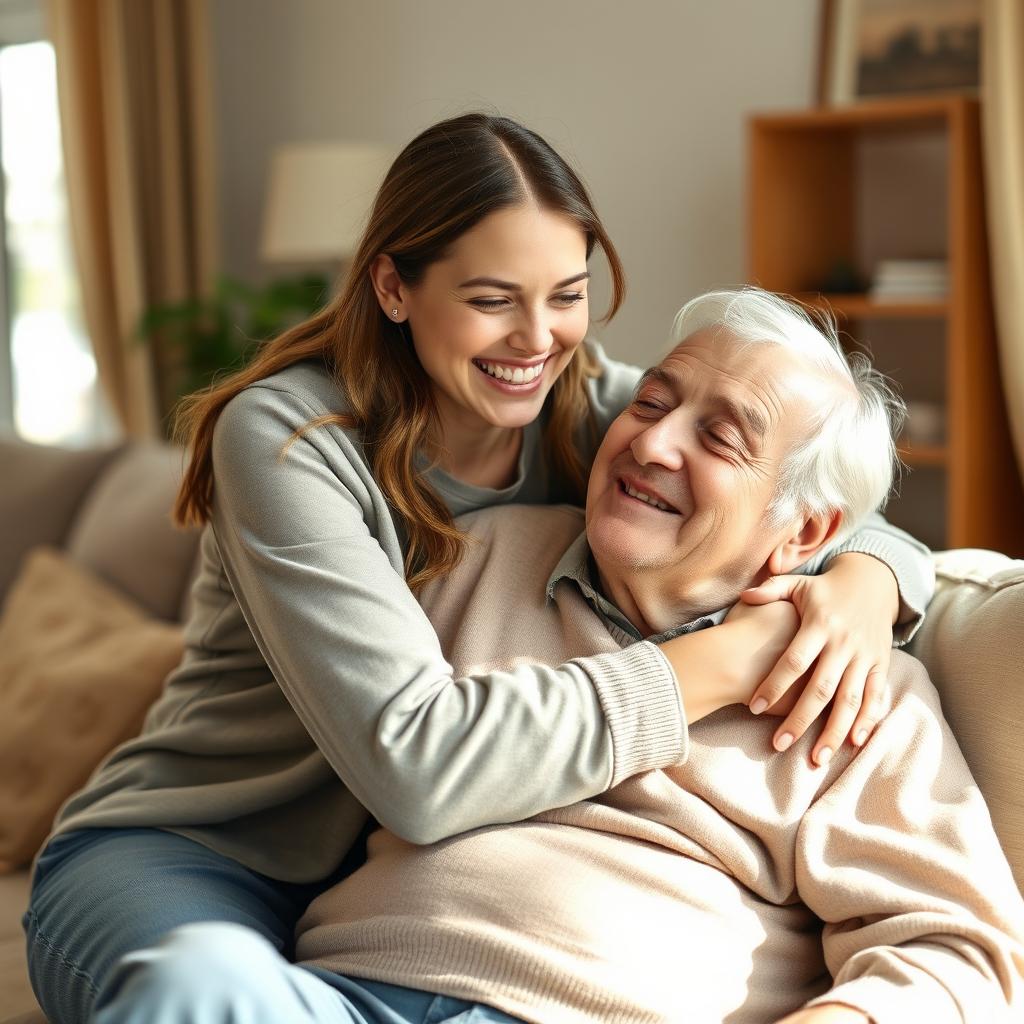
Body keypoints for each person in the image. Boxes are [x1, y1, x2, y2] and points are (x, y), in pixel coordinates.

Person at [25, 117, 931, 1024]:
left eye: (566, 294)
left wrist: (865, 583)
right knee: (195, 992)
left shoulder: (585, 411)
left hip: (374, 881)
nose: (536, 339)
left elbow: (801, 495)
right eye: (493, 299)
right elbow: (417, 767)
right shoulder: (288, 441)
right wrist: (732, 658)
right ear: (393, 286)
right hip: (202, 847)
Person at [89, 288, 1022, 1024]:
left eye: (718, 437)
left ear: (803, 530)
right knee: (190, 977)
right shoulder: (473, 557)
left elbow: (958, 948)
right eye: (651, 400)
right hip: (343, 997)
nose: (652, 440)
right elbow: (396, 753)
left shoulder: (856, 687)